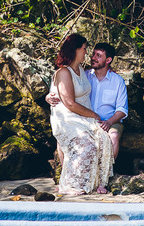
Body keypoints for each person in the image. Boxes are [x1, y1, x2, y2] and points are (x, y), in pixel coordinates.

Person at [48, 33, 113, 196]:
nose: (86, 53)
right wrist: (94, 115)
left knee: (103, 139)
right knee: (86, 144)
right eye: (84, 49)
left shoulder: (82, 71)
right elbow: (69, 103)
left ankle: (94, 182)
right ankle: (71, 184)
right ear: (75, 49)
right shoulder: (64, 72)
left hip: (81, 118)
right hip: (67, 119)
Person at [49, 42, 128, 159]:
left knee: (114, 136)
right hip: (85, 120)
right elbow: (67, 93)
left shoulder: (118, 81)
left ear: (108, 60)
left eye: (98, 55)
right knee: (66, 135)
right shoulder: (84, 75)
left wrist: (109, 122)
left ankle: (107, 173)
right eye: (93, 54)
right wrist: (49, 96)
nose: (93, 58)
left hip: (110, 121)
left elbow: (122, 110)